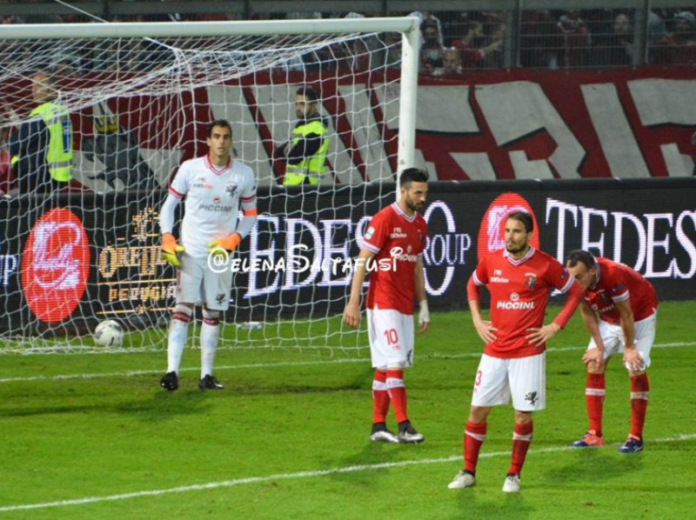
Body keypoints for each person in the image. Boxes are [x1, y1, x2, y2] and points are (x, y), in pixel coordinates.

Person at [448, 211, 583, 493]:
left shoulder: (546, 265)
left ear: (529, 235)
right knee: (477, 411)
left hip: (528, 353)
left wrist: (555, 326)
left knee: (522, 416)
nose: (510, 236)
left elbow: (576, 292)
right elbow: (472, 284)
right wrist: (477, 320)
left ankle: (513, 475)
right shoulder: (492, 261)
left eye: (517, 231)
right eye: (507, 231)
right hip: (494, 351)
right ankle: (468, 472)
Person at [158, 119, 258, 391]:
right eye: (216, 136)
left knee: (212, 313)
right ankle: (171, 373)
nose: (221, 142)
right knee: (182, 309)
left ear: (231, 140)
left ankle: (206, 376)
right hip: (191, 250)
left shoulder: (243, 174)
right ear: (208, 140)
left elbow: (251, 214)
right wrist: (167, 236)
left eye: (225, 137)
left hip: (219, 254)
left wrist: (235, 237)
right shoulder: (190, 169)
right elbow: (169, 206)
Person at [343, 168, 430, 444]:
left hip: (404, 304)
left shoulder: (420, 224)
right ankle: (404, 425)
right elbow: (362, 260)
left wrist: (423, 304)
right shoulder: (384, 219)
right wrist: (353, 301)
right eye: (418, 192)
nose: (422, 198)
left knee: (384, 365)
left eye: (425, 192)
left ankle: (378, 426)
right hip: (383, 302)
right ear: (403, 191)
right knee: (395, 362)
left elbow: (416, 266)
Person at [565, 250, 658, 454]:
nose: (574, 283)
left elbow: (626, 313)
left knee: (634, 365)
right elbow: (587, 311)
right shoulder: (578, 282)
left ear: (592, 270)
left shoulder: (613, 275)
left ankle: (635, 437)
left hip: (639, 314)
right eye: (571, 277)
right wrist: (599, 348)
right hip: (609, 317)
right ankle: (594, 435)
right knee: (594, 363)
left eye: (578, 277)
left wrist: (629, 348)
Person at [7, 72, 72, 194]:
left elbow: (16, 144)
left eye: (38, 85)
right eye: (32, 86)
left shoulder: (43, 113)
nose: (34, 90)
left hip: (38, 176)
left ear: (51, 88)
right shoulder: (62, 110)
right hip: (59, 175)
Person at [275, 86, 330, 186]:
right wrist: (291, 150)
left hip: (306, 186)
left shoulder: (317, 129)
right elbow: (278, 153)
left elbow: (294, 157)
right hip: (293, 185)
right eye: (296, 104)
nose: (298, 107)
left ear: (313, 106)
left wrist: (289, 149)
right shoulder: (301, 127)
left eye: (302, 104)